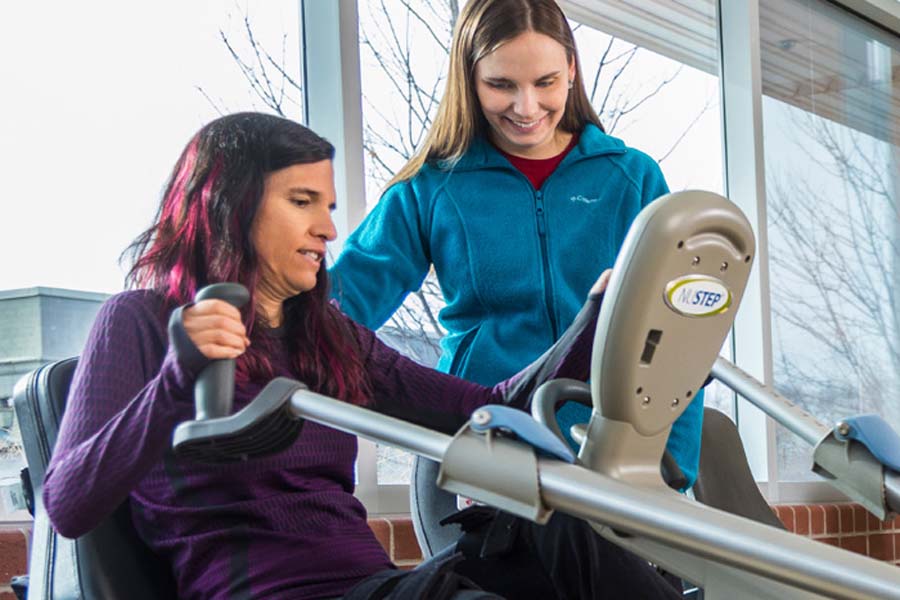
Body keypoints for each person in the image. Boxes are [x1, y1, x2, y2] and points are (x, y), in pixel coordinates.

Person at [42, 112, 680, 600]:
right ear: (227, 205)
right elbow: (69, 504)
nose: (326, 228)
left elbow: (490, 411)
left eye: (328, 207)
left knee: (559, 524)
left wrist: (600, 322)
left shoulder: (327, 335)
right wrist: (175, 381)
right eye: (301, 203)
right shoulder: (141, 322)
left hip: (373, 585)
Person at [331, 0, 703, 483]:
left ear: (571, 69)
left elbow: (678, 334)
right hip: (482, 447)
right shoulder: (430, 189)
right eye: (501, 84)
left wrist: (674, 469)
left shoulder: (630, 178)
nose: (526, 107)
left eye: (545, 82)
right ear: (470, 80)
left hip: (604, 453)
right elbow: (336, 307)